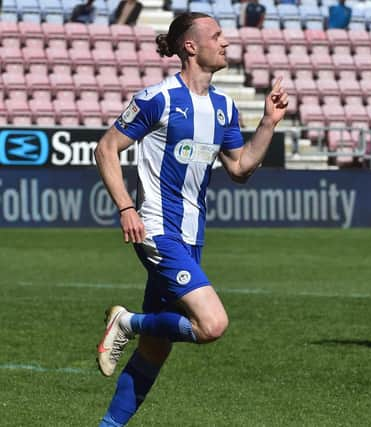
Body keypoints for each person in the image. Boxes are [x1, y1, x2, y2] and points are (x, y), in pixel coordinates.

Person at [94, 12, 288, 426]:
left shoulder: (223, 106)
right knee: (212, 324)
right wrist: (127, 207)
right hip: (156, 228)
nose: (226, 42)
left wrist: (268, 124)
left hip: (192, 236)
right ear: (190, 46)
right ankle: (125, 320)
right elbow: (106, 149)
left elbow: (239, 168)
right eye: (216, 35)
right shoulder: (157, 98)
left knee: (155, 351)